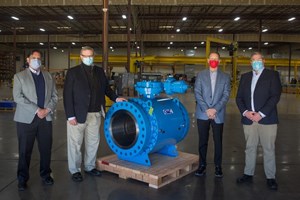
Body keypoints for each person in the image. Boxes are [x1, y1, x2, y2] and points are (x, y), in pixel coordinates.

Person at [63, 46, 126, 182]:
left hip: (95, 113)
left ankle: (90, 167)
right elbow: (67, 94)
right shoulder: (73, 72)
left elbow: (106, 89)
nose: (88, 58)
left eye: (91, 55)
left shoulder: (99, 72)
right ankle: (75, 170)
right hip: (77, 114)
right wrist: (70, 116)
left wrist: (116, 98)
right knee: (75, 144)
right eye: (85, 56)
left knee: (93, 142)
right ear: (81, 57)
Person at [236, 52, 282, 190]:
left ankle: (270, 177)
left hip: (267, 119)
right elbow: (239, 98)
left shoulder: (272, 75)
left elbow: (275, 96)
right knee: (250, 147)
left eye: (258, 59)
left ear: (263, 61)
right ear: (250, 62)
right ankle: (248, 174)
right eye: (253, 60)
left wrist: (261, 114)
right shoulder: (245, 77)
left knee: (268, 148)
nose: (256, 62)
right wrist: (246, 112)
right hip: (249, 119)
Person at [13, 50, 58, 191]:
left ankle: (46, 174)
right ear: (28, 59)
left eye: (39, 58)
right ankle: (22, 179)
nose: (36, 60)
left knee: (45, 149)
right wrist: (37, 110)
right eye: (34, 58)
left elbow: (55, 97)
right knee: (25, 150)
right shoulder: (19, 77)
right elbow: (18, 97)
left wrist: (47, 110)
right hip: (26, 120)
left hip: (45, 118)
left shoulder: (48, 77)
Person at [194, 52, 231, 178]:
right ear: (208, 60)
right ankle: (202, 165)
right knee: (202, 141)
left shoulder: (225, 77)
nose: (214, 61)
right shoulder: (200, 75)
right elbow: (197, 93)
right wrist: (207, 109)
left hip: (218, 113)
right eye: (212, 59)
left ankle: (218, 166)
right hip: (203, 113)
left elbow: (226, 95)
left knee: (218, 141)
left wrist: (215, 109)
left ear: (219, 61)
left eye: (216, 59)